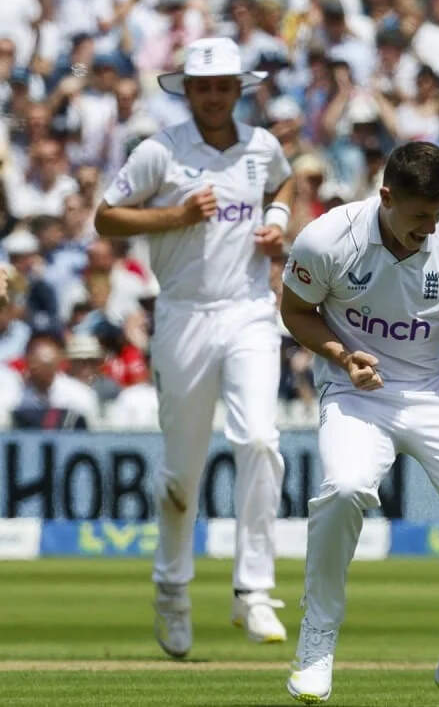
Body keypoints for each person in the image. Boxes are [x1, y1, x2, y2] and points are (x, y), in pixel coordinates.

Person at [280, 142, 439, 707]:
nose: (429, 229)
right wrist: (341, 355)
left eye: (437, 215)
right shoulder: (326, 238)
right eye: (418, 217)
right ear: (386, 196)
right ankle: (317, 639)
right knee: (344, 489)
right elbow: (294, 311)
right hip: (359, 390)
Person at [95, 37, 294, 658]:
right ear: (188, 90)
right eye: (203, 86)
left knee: (261, 438)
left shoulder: (263, 148)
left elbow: (287, 187)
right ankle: (172, 592)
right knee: (182, 474)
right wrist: (174, 219)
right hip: (182, 314)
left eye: (224, 85)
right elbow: (106, 218)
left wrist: (279, 225)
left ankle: (254, 590)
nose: (213, 95)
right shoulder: (160, 152)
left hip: (250, 311)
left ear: (240, 89)